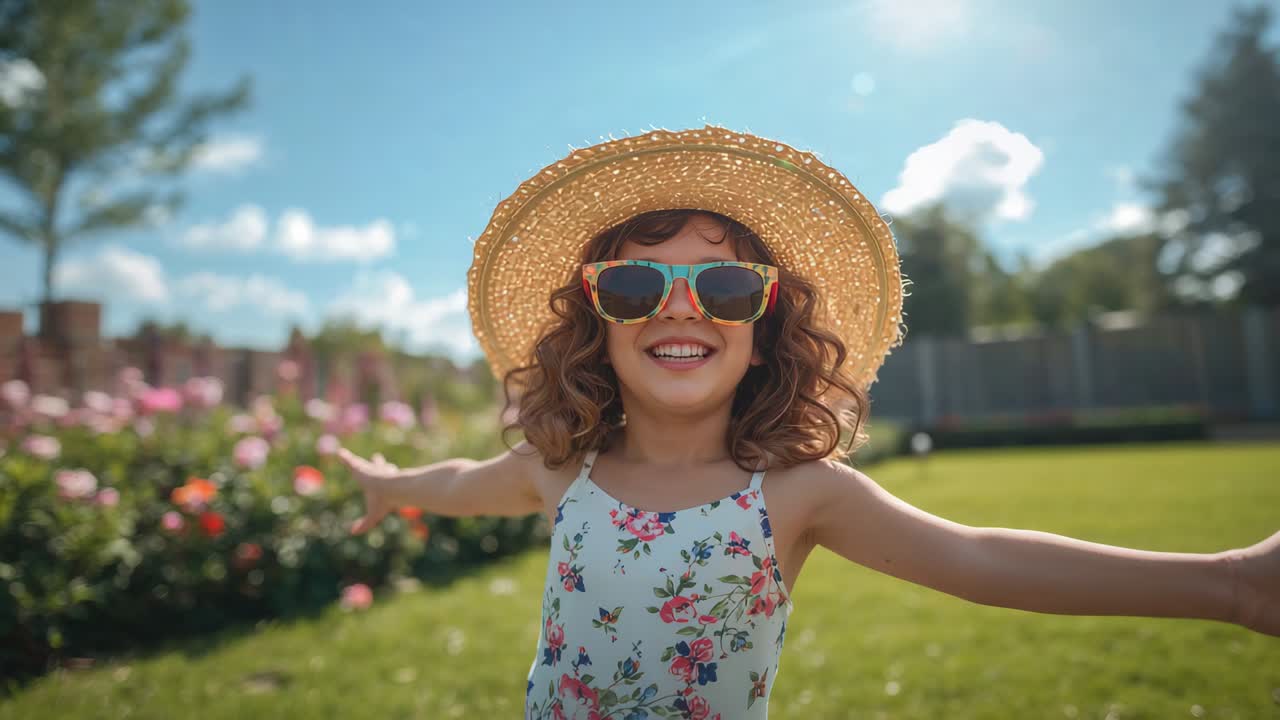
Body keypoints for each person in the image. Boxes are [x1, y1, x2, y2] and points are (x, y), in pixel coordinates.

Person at [337, 126, 1278, 719]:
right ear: (596, 323)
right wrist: (390, 486)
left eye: (726, 284)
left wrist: (1231, 586)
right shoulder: (564, 467)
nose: (679, 309)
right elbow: (464, 483)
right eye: (633, 284)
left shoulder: (794, 495)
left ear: (765, 326)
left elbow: (984, 560)